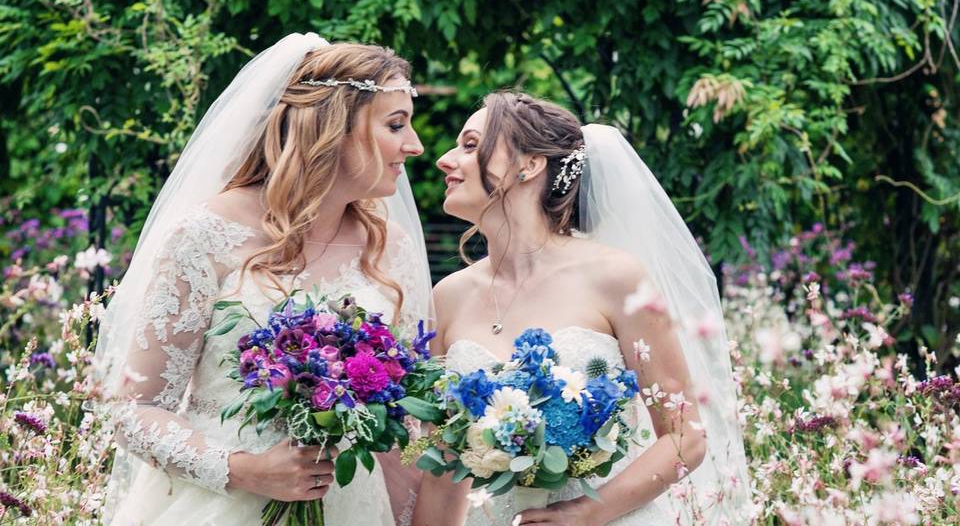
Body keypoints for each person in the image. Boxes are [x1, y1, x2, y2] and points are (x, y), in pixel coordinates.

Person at [95, 34, 432, 525]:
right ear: (333, 126)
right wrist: (244, 470)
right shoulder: (206, 234)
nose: (415, 145)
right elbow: (134, 410)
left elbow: (405, 430)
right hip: (219, 506)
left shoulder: (391, 249)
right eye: (395, 125)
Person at [413, 92, 751, 525]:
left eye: (470, 145)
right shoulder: (448, 296)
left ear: (529, 164)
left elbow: (687, 437)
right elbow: (444, 468)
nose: (443, 159)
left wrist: (585, 512)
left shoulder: (614, 277)